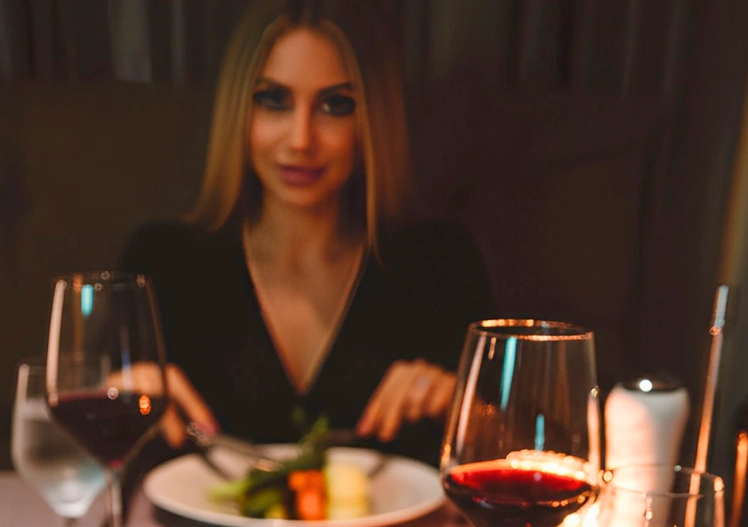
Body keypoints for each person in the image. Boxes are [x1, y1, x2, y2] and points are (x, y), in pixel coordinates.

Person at [121, 0, 493, 463]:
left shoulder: (438, 263)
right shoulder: (162, 263)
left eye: (335, 105)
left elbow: (520, 445)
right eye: (273, 100)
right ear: (239, 110)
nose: (300, 139)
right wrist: (118, 399)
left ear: (372, 120)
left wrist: (466, 408)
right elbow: (80, 457)